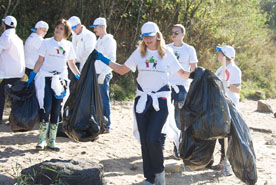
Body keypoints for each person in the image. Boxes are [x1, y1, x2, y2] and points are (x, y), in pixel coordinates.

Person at [94, 21, 190, 185]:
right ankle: (149, 177)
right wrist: (103, 59)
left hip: (161, 99)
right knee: (145, 139)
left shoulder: (167, 53)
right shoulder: (139, 53)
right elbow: (122, 70)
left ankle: (160, 174)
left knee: (154, 138)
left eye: (150, 36)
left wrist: (199, 74)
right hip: (142, 100)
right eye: (145, 37)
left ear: (157, 35)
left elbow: (182, 73)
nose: (147, 40)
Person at [26, 19, 80, 152]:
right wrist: (33, 74)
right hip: (46, 77)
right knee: (46, 106)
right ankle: (42, 139)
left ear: (66, 32)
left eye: (61, 28)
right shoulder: (46, 42)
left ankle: (52, 140)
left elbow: (71, 64)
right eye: (57, 27)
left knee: (57, 109)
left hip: (60, 81)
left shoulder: (68, 45)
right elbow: (40, 61)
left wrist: (79, 76)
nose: (57, 30)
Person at [167, 24, 198, 159]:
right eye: (172, 33)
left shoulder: (189, 49)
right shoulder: (167, 48)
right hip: (167, 86)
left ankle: (180, 147)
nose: (174, 35)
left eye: (177, 33)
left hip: (182, 87)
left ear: (183, 35)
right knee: (165, 118)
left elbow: (194, 69)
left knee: (180, 118)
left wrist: (188, 79)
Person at [212, 45, 242, 175]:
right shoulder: (221, 68)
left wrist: (228, 85)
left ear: (225, 56)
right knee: (220, 135)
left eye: (220, 53)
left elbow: (238, 88)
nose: (217, 55)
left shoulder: (234, 69)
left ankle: (227, 164)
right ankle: (222, 161)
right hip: (219, 105)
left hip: (229, 105)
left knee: (227, 136)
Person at [90, 17, 116, 133]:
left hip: (103, 74)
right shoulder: (99, 40)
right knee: (97, 100)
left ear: (102, 27)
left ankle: (107, 125)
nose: (94, 30)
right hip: (97, 72)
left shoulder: (109, 40)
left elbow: (112, 58)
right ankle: (98, 122)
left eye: (96, 27)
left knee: (104, 99)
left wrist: (104, 74)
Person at [0, 16, 25, 125]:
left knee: (1, 94)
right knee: (14, 97)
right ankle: (14, 119)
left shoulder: (6, 36)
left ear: (4, 25)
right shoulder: (17, 38)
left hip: (9, 73)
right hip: (18, 72)